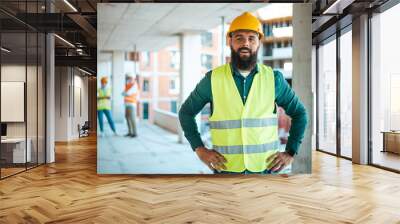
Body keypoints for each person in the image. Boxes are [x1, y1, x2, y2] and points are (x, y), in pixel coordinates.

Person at [178, 12, 308, 174]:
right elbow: (186, 113)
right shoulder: (213, 79)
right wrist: (199, 149)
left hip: (265, 171)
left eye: (251, 38)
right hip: (227, 171)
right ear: (230, 41)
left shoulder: (274, 79)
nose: (245, 43)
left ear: (258, 43)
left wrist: (290, 151)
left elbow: (300, 113)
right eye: (239, 38)